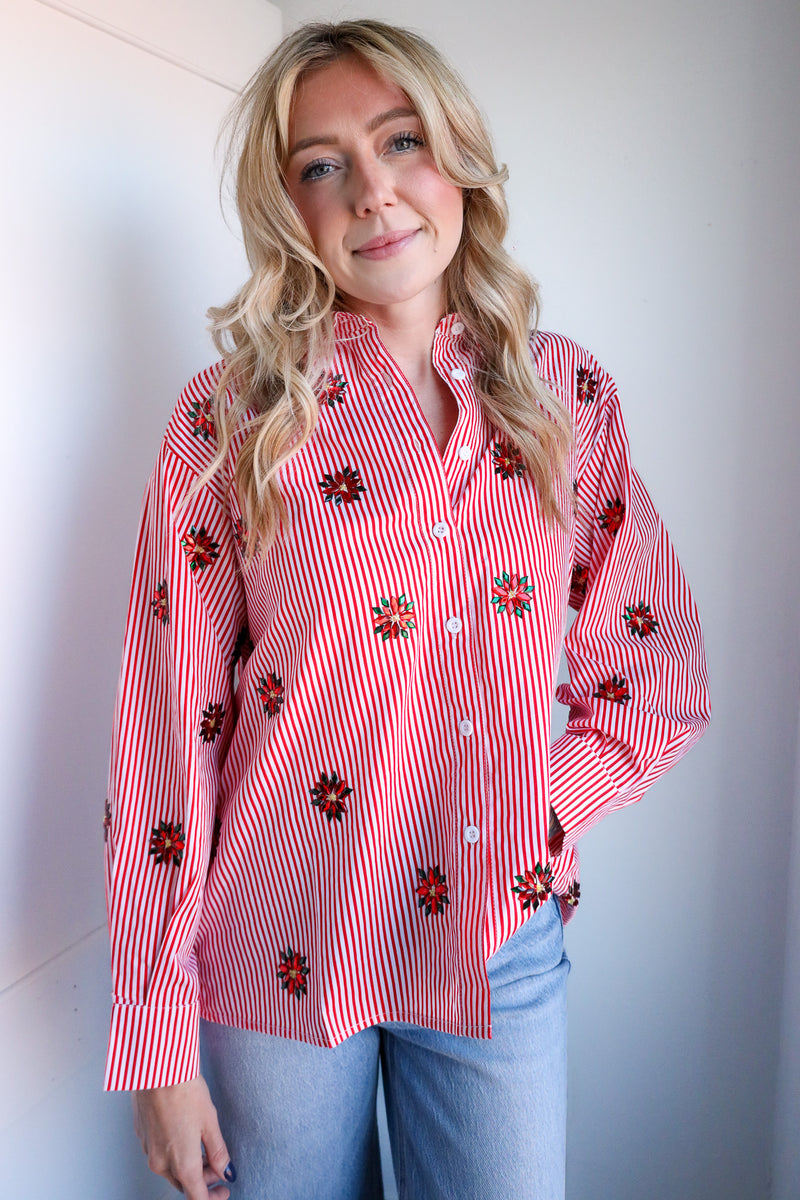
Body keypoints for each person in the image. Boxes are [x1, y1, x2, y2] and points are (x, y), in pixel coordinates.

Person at [104, 19, 710, 1200]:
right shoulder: (230, 420)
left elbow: (653, 678)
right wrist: (155, 1037)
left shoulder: (564, 399)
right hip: (274, 951)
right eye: (321, 164)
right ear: (289, 204)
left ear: (459, 160)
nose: (371, 191)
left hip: (495, 947)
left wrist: (530, 809)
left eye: (401, 141)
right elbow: (165, 730)